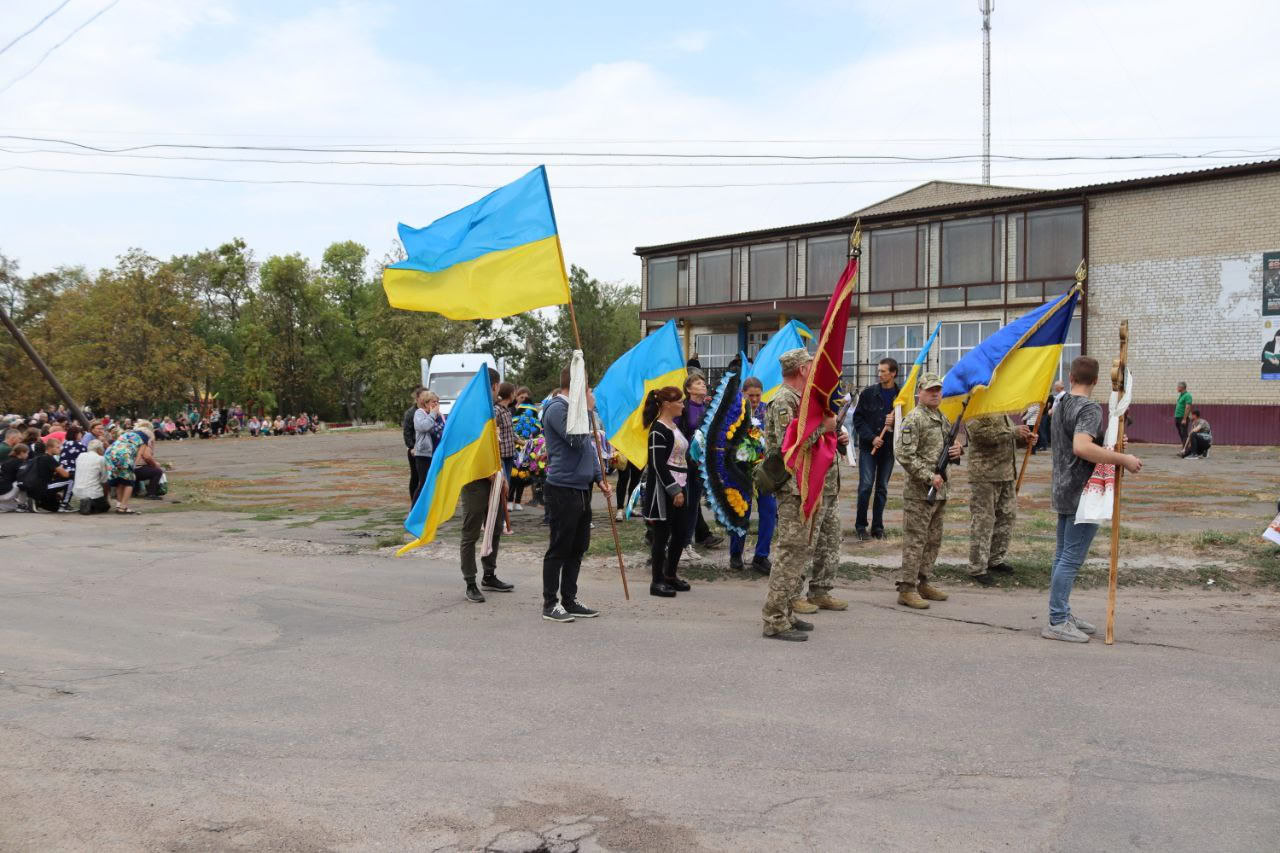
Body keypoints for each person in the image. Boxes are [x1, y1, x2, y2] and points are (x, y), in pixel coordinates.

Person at [1042, 356, 1143, 642]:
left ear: (1071, 377)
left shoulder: (1060, 404)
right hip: (1083, 492)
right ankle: (1057, 620)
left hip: (1063, 487)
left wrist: (1110, 447)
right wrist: (1123, 459)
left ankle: (1061, 611)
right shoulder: (1088, 408)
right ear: (1096, 381)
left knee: (1063, 556)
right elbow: (1081, 447)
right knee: (1070, 559)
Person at [760, 348, 847, 642]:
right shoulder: (785, 400)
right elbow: (792, 445)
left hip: (806, 486)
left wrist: (829, 430)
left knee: (799, 553)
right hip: (792, 487)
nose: (815, 368)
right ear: (800, 369)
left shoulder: (800, 399)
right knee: (790, 552)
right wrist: (824, 427)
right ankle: (773, 619)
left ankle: (786, 612)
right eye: (810, 364)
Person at [540, 366, 611, 623]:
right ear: (577, 384)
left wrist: (598, 477)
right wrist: (588, 410)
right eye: (587, 384)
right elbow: (576, 440)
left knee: (578, 547)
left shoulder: (577, 410)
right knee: (560, 546)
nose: (590, 391)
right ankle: (550, 603)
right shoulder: (557, 408)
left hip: (582, 488)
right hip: (562, 487)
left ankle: (570, 599)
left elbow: (589, 449)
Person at [895, 373, 964, 609]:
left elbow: (945, 449)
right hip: (919, 492)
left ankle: (923, 581)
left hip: (940, 490)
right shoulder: (914, 419)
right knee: (916, 540)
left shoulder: (941, 418)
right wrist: (928, 476)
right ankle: (906, 588)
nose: (935, 394)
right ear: (920, 392)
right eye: (930, 390)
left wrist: (957, 451)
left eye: (938, 390)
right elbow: (904, 454)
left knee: (933, 540)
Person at [457, 369, 515, 603]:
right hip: (474, 480)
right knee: (470, 532)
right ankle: (470, 581)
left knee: (495, 527)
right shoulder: (469, 412)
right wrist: (487, 471)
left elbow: (495, 445)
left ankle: (489, 574)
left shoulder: (492, 412)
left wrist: (501, 475)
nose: (497, 392)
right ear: (493, 386)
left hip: (495, 477)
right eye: (496, 387)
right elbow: (468, 449)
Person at [966, 414, 1031, 586]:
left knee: (1006, 517)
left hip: (1006, 474)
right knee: (983, 520)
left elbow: (1009, 440)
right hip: (985, 475)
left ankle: (995, 559)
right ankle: (977, 567)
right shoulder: (977, 411)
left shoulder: (1002, 412)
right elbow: (982, 435)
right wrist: (1013, 431)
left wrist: (1025, 439)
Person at [642, 386, 691, 597]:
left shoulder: (674, 426)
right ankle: (657, 581)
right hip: (664, 491)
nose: (683, 404)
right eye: (679, 401)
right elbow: (658, 464)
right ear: (667, 405)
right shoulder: (658, 429)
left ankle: (670, 575)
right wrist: (674, 490)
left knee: (680, 533)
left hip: (682, 483)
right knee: (661, 535)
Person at [728, 376, 777, 575]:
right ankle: (735, 553)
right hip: (741, 471)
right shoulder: (734, 413)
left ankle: (761, 555)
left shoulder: (768, 410)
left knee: (769, 511)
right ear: (743, 393)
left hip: (765, 472)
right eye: (751, 395)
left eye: (758, 395)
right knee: (742, 511)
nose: (755, 399)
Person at [674, 373, 724, 560]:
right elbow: (675, 435)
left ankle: (687, 543)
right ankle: (678, 544)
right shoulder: (684, 409)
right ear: (688, 389)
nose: (703, 385)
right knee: (683, 505)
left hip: (702, 465)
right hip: (684, 463)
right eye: (698, 383)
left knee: (694, 504)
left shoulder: (707, 408)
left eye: (703, 382)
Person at [852, 357, 900, 540]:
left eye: (883, 371)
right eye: (878, 371)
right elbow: (858, 419)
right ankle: (860, 526)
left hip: (888, 449)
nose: (879, 374)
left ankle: (878, 528)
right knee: (865, 486)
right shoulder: (868, 393)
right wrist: (871, 438)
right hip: (868, 448)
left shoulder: (901, 396)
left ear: (893, 373)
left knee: (882, 488)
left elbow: (908, 424)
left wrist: (895, 423)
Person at [104, 428, 149, 514]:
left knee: (120, 480)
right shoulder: (144, 438)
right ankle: (123, 507)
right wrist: (134, 466)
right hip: (124, 455)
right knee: (129, 481)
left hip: (110, 453)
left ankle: (119, 504)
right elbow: (140, 454)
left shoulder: (127, 434)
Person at [24, 436, 72, 513]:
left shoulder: (39, 457)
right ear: (50, 448)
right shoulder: (49, 458)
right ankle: (64, 505)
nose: (60, 449)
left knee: (54, 507)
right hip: (43, 487)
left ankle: (37, 502)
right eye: (58, 447)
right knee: (70, 480)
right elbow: (65, 475)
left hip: (34, 487)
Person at [411, 390, 440, 505]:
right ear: (426, 403)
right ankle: (413, 512)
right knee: (423, 484)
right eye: (433, 402)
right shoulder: (420, 413)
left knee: (432, 485)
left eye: (437, 402)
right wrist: (433, 415)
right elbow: (423, 426)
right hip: (423, 455)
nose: (436, 405)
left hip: (434, 454)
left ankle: (428, 511)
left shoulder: (434, 415)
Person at [72, 439, 111, 514]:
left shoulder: (80, 456)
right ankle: (91, 504)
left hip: (77, 492)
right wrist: (105, 497)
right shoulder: (101, 459)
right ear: (99, 449)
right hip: (93, 493)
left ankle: (85, 503)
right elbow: (104, 480)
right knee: (105, 507)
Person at [495, 382, 517, 506]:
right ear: (510, 394)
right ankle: (499, 519)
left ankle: (501, 518)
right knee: (502, 487)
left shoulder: (507, 411)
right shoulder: (497, 410)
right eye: (514, 392)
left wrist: (522, 441)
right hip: (501, 455)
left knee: (507, 485)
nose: (515, 395)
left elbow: (510, 432)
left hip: (509, 454)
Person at [401, 385, 424, 504]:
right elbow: (407, 432)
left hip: (427, 451)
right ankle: (414, 503)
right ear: (417, 398)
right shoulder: (410, 413)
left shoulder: (429, 410)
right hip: (415, 450)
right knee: (416, 477)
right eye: (423, 396)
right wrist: (411, 447)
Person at [133, 434, 165, 500]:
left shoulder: (136, 444)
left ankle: (135, 491)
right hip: (137, 469)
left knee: (148, 470)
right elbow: (147, 457)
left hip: (132, 468)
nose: (153, 443)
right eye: (152, 441)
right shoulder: (145, 446)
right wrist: (155, 465)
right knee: (157, 471)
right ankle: (151, 493)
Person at [0, 443, 30, 512]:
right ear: (22, 453)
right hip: (8, 492)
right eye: (27, 453)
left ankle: (10, 505)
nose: (27, 455)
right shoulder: (21, 463)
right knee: (23, 482)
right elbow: (22, 478)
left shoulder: (6, 461)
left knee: (12, 508)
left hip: (2, 491)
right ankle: (22, 505)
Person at [1173, 382, 1192, 446]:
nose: (1177, 388)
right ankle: (1185, 447)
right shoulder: (1181, 395)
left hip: (1182, 417)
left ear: (1182, 387)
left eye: (1178, 387)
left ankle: (1186, 449)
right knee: (1181, 433)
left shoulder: (1187, 395)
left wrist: (1184, 419)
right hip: (1178, 417)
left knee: (1184, 434)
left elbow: (1188, 407)